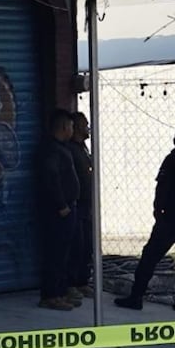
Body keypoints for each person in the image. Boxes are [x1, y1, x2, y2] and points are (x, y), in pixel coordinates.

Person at [115, 125, 175, 314]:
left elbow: (162, 187)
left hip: (172, 217)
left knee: (150, 256)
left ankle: (136, 297)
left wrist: (158, 210)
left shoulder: (172, 160)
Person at [37, 109, 80, 311]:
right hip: (58, 212)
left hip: (68, 209)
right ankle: (51, 295)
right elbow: (51, 179)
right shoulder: (51, 149)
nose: (73, 130)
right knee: (55, 254)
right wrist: (61, 205)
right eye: (71, 126)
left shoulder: (61, 148)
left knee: (64, 253)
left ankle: (61, 292)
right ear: (64, 127)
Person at [68, 111, 94, 298]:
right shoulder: (70, 149)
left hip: (87, 204)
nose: (88, 128)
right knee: (75, 245)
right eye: (84, 125)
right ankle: (71, 283)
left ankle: (82, 281)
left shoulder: (83, 147)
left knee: (86, 245)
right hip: (76, 204)